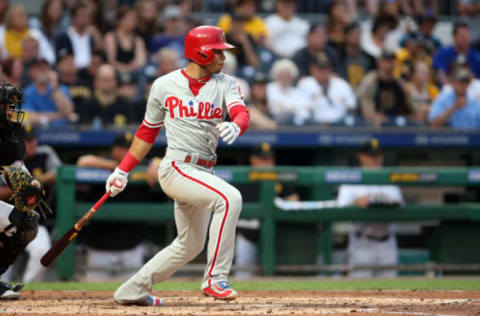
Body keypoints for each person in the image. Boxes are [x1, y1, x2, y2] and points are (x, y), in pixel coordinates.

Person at [106, 25, 250, 305]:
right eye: (218, 53)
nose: (223, 58)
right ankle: (215, 278)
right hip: (176, 167)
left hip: (203, 170)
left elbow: (241, 113)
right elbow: (147, 132)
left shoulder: (227, 84)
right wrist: (122, 169)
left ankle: (131, 290)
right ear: (200, 54)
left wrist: (237, 126)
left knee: (190, 244)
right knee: (230, 198)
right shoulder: (164, 85)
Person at [77, 133, 147, 280]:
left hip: (131, 245)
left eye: (129, 149)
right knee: (93, 295)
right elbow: (83, 161)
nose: (125, 152)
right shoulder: (103, 163)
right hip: (100, 245)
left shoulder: (141, 165)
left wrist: (155, 164)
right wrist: (118, 168)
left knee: (132, 292)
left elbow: (158, 166)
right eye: (121, 148)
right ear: (114, 149)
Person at [0, 84, 47, 299]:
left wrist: (31, 187)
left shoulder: (8, 138)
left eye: (11, 106)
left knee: (26, 222)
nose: (10, 111)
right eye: (4, 106)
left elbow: (17, 171)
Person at [337, 138, 404, 278]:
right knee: (359, 293)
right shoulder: (351, 179)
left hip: (387, 243)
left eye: (378, 156)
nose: (376, 160)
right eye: (372, 156)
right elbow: (340, 209)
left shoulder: (390, 179)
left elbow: (401, 207)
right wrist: (356, 203)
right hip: (362, 243)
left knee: (391, 294)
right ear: (361, 157)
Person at [2, 125, 57, 283]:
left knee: (41, 250)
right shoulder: (5, 158)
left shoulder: (44, 154)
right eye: (27, 141)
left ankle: (28, 287)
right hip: (5, 218)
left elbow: (59, 173)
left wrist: (34, 184)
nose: (31, 144)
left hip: (33, 220)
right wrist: (17, 190)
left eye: (33, 140)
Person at [235, 142, 298, 278]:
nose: (268, 163)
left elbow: (294, 199)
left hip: (275, 234)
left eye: (270, 159)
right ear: (253, 160)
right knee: (243, 272)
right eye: (264, 159)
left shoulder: (279, 178)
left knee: (274, 275)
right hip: (247, 234)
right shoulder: (242, 178)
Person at [298, 53, 357, 125]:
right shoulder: (305, 84)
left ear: (331, 69)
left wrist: (341, 100)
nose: (323, 72)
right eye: (320, 68)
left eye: (326, 68)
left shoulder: (341, 83)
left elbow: (352, 103)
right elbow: (301, 108)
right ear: (312, 69)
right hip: (313, 124)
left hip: (340, 124)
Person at [357, 50, 411, 126]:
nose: (389, 63)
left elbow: (412, 107)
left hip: (397, 122)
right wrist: (374, 115)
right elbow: (367, 111)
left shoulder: (400, 83)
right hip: (375, 125)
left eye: (392, 60)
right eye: (386, 60)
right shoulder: (370, 81)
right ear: (379, 62)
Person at [23, 58, 75, 127]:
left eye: (45, 68)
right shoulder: (27, 92)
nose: (43, 71)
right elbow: (27, 117)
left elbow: (68, 111)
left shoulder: (61, 89)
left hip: (63, 132)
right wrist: (59, 115)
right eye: (39, 68)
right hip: (38, 133)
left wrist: (55, 88)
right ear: (31, 72)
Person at [104, 7, 147, 79]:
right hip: (115, 71)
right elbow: (111, 61)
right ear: (119, 20)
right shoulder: (110, 37)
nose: (132, 22)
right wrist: (123, 69)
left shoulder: (138, 40)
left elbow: (141, 61)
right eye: (128, 19)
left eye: (134, 19)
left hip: (134, 72)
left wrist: (128, 69)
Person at [266, 59, 309, 125]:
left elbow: (304, 112)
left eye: (287, 76)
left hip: (295, 125)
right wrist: (293, 108)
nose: (284, 78)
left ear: (292, 77)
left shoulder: (298, 92)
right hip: (274, 122)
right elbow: (273, 108)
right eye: (282, 75)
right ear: (276, 76)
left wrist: (284, 107)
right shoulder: (269, 88)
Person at [54, 3, 96, 70]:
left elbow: (99, 55)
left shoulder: (92, 36)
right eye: (82, 15)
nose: (86, 18)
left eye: (88, 16)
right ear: (73, 17)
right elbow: (60, 59)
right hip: (72, 72)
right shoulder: (63, 37)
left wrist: (96, 36)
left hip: (90, 72)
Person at [337, 22, 376, 88]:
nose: (356, 36)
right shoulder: (338, 57)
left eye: (358, 33)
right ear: (346, 36)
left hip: (364, 92)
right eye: (352, 33)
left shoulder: (369, 58)